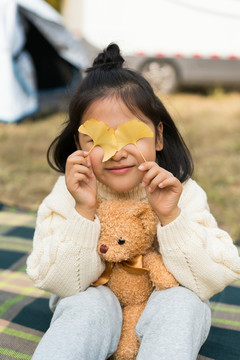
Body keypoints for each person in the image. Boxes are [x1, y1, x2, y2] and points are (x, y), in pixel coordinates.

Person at [27, 43, 240, 360]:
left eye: (131, 135)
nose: (117, 151)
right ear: (78, 143)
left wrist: (172, 217)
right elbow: (57, 281)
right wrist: (84, 211)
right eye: (99, 139)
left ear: (157, 136)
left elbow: (211, 279)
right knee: (85, 305)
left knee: (184, 303)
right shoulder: (67, 195)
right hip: (93, 304)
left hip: (162, 305)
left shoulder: (183, 192)